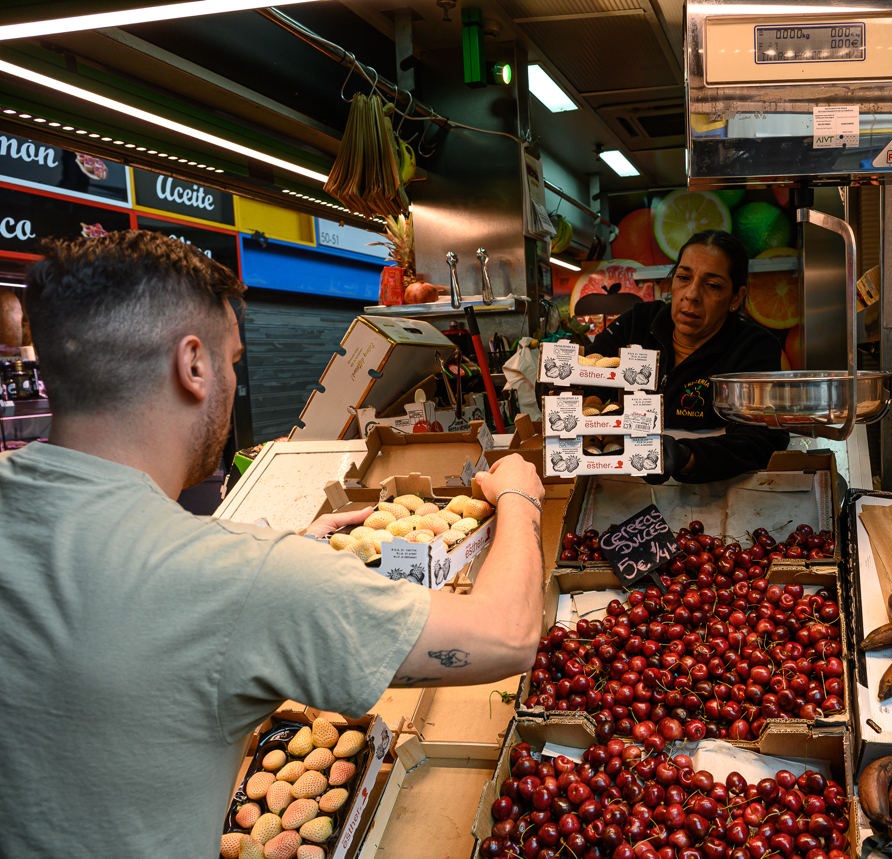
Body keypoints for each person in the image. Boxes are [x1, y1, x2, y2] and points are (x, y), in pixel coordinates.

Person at [0, 231, 546, 857]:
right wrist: (519, 494)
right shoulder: (242, 579)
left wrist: (270, 548)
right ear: (193, 365)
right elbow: (507, 635)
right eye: (233, 361)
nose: (233, 382)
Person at [590, 229, 789, 483]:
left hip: (716, 495)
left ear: (735, 298)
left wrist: (685, 456)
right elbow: (589, 377)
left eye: (713, 285)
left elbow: (761, 440)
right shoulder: (638, 323)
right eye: (684, 278)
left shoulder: (754, 348)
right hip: (624, 489)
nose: (692, 294)